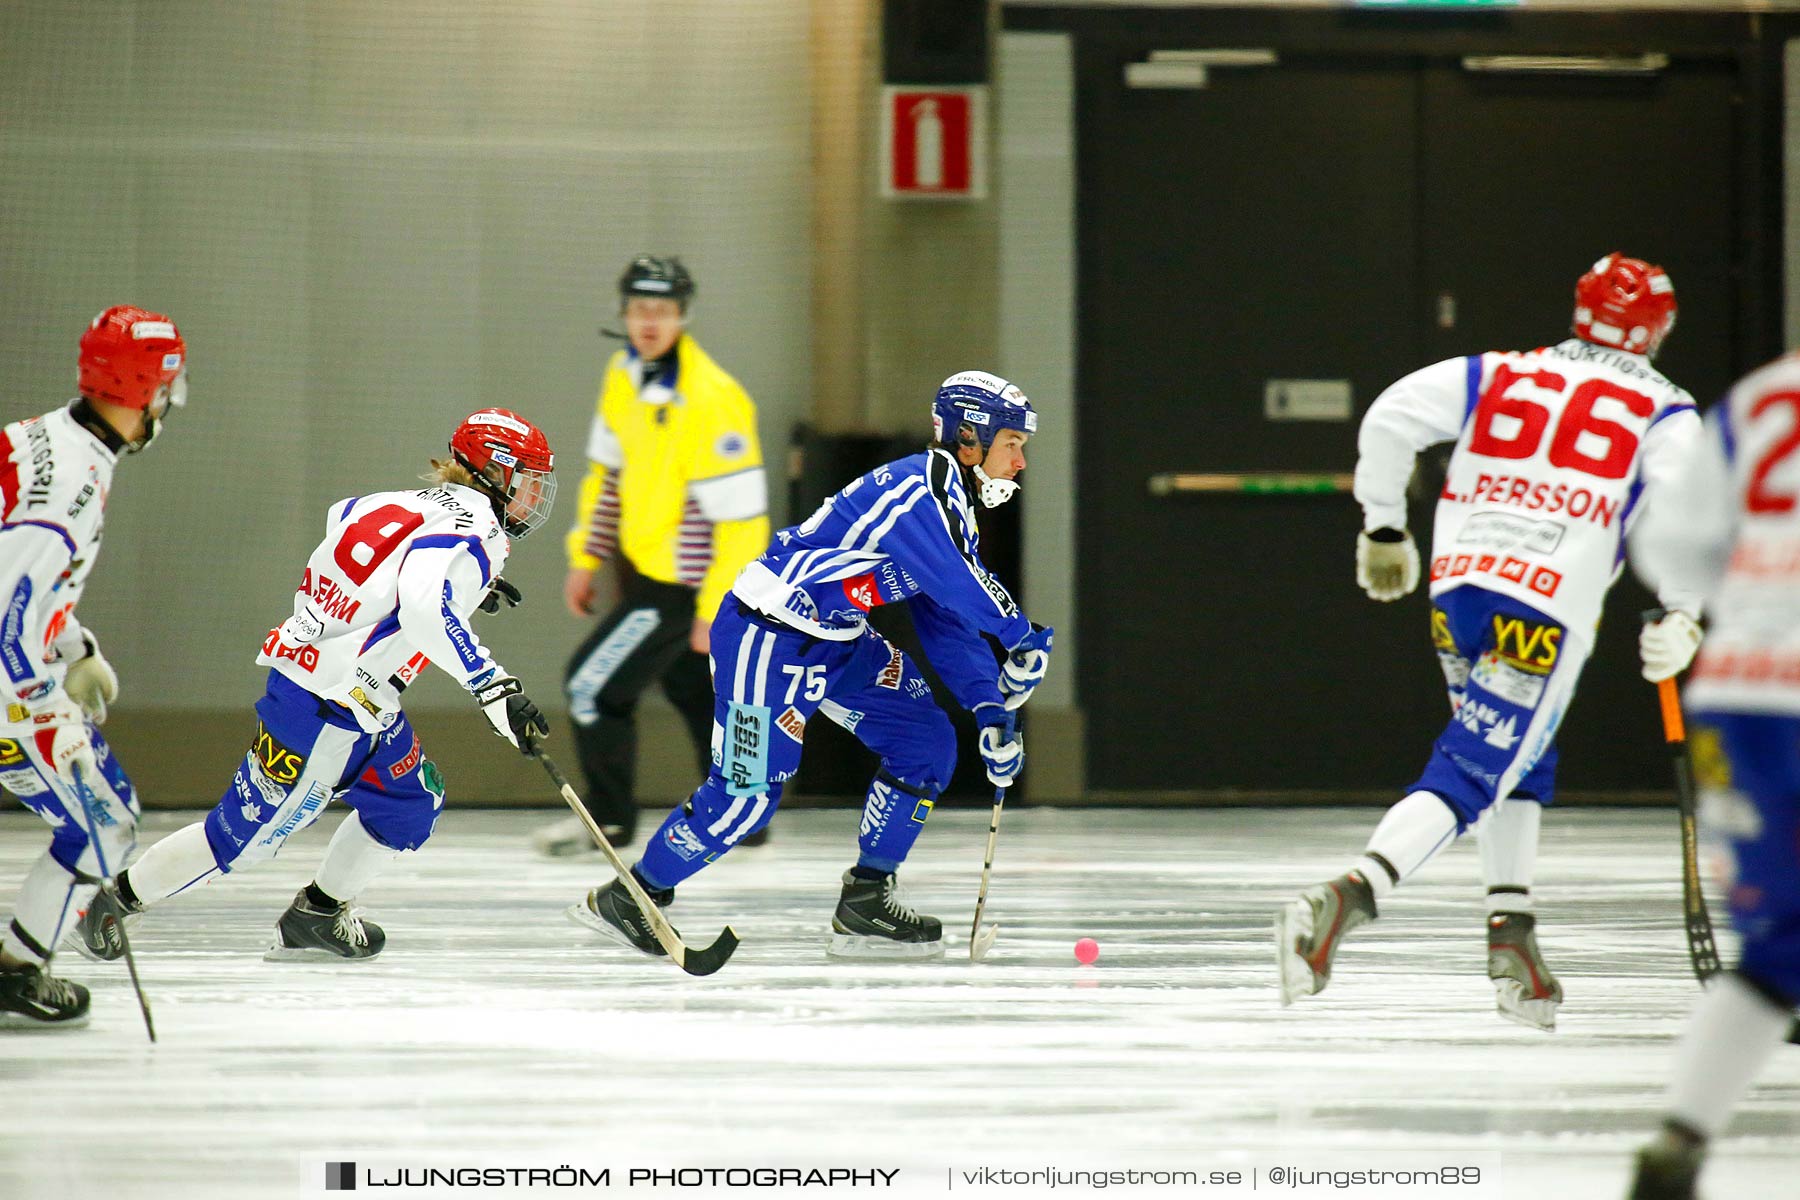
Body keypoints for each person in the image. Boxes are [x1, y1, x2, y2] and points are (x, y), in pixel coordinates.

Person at [1276, 253, 1705, 1030]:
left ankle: (1513, 934)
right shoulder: (1666, 410)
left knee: (1514, 756)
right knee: (1477, 767)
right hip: (1547, 604)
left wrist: (1383, 523)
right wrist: (1683, 612)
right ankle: (1352, 895)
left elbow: (1391, 415)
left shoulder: (1499, 372)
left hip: (1463, 591)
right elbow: (1685, 517)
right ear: (1661, 328)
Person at [567, 370, 1054, 959]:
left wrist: (986, 704)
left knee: (926, 740)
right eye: (1014, 444)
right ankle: (635, 895)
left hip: (839, 638)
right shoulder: (920, 493)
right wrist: (1023, 636)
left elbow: (943, 615)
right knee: (746, 798)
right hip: (766, 638)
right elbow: (960, 583)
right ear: (971, 438)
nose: (1020, 462)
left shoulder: (950, 502)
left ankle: (866, 899)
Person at [73, 410, 555, 963]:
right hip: (329, 706)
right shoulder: (480, 530)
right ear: (495, 473)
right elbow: (425, 611)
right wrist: (495, 688)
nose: (531, 498)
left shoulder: (393, 500)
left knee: (409, 800)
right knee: (242, 839)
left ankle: (317, 915)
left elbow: (342, 520)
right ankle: (109, 904)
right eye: (527, 481)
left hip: (349, 692)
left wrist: (459, 588)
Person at [1624, 350, 1800, 1198]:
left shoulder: (1762, 396)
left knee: (1779, 948)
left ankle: (1679, 1142)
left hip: (1741, 696)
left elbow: (1669, 546)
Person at [534, 255, 771, 856]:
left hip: (686, 588)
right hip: (651, 575)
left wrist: (715, 606)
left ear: (683, 316)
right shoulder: (624, 374)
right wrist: (586, 557)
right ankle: (749, 811)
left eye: (662, 310)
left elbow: (742, 519)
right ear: (623, 312)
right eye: (640, 308)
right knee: (698, 692)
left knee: (590, 687)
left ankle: (609, 823)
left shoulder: (713, 398)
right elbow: (606, 476)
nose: (649, 321)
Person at [0, 307, 186, 1026]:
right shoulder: (72, 485)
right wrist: (50, 711)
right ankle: (16, 969)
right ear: (145, 387)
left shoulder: (42, 436)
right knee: (104, 821)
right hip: (10, 688)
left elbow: (22, 582)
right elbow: (9, 613)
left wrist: (73, 646)